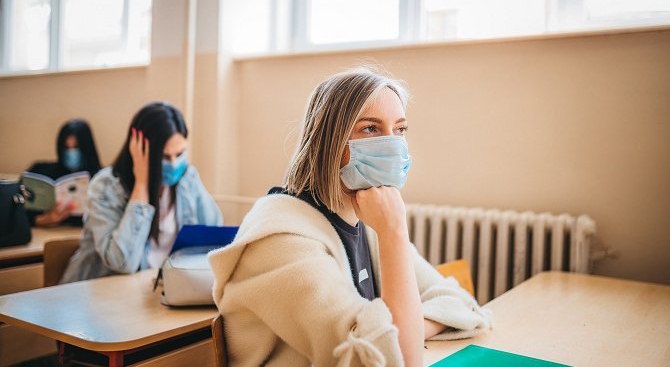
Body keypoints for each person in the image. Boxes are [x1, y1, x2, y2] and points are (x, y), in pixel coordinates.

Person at [208, 67, 492, 367]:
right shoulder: (280, 243)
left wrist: (405, 327)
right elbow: (397, 360)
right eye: (370, 128)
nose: (393, 144)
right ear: (328, 141)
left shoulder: (363, 221)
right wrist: (394, 231)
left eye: (400, 129)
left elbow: (460, 302)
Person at [61, 102, 223, 283]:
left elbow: (214, 237)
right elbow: (122, 263)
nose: (174, 164)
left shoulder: (187, 178)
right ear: (139, 149)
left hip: (158, 288)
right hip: (101, 292)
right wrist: (141, 186)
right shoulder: (105, 186)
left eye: (179, 154)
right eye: (164, 156)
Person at [26, 119, 102, 227]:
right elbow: (21, 216)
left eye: (76, 147)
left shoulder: (102, 179)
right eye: (66, 148)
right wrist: (46, 219)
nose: (71, 153)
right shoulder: (41, 171)